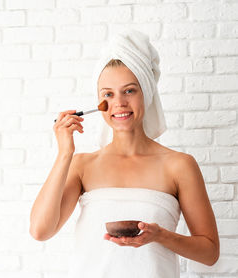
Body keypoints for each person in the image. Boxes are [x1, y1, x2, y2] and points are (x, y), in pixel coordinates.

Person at [29, 29, 219, 277]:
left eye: (129, 90)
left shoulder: (179, 165)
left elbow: (209, 252)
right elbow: (40, 231)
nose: (118, 103)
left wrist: (160, 235)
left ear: (146, 93)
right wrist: (65, 153)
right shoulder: (82, 165)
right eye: (108, 94)